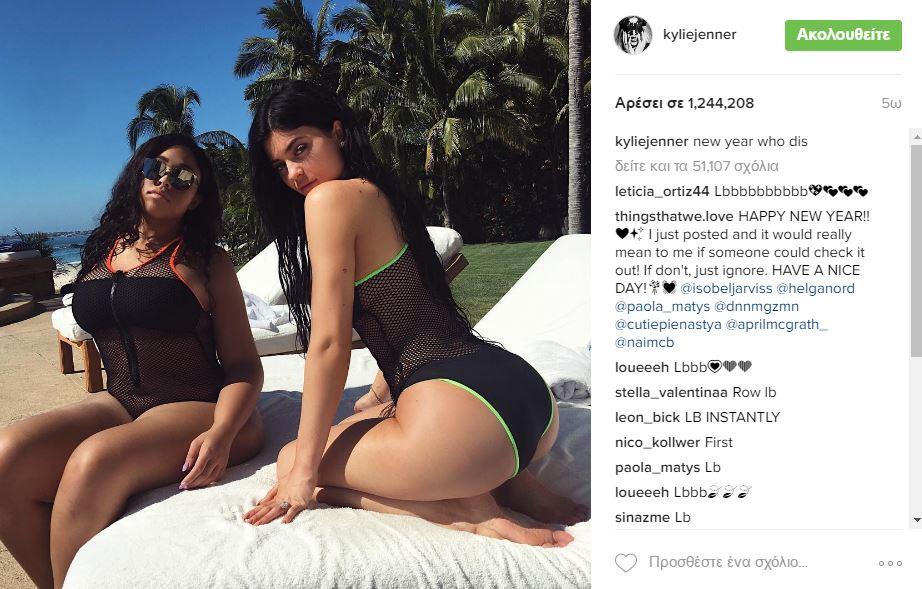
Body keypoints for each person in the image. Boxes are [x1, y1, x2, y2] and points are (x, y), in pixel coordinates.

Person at [242, 80, 588, 546]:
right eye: (280, 166)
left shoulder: (328, 200)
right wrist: (379, 394)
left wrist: (303, 475)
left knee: (292, 460)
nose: (293, 174)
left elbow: (329, 343)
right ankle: (514, 482)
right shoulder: (384, 195)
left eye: (300, 149)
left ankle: (466, 509)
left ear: (337, 133)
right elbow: (414, 314)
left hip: (467, 426)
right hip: (529, 402)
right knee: (358, 423)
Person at [0, 134, 265, 589]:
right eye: (154, 167)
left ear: (197, 197)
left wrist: (222, 433)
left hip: (204, 407)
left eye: (183, 177)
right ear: (137, 174)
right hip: (122, 400)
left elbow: (243, 366)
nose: (165, 180)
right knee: (7, 456)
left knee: (93, 460)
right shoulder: (99, 251)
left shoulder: (207, 262)